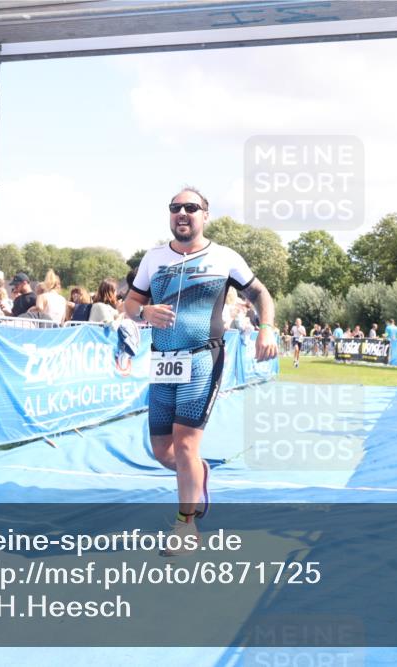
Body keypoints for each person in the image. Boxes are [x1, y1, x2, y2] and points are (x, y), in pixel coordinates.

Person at [124, 187, 277, 555]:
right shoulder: (153, 258)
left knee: (187, 444)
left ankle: (185, 526)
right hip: (163, 360)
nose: (182, 213)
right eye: (175, 207)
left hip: (203, 358)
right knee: (163, 452)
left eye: (191, 208)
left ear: (205, 215)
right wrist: (144, 313)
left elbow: (261, 294)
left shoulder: (224, 257)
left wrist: (266, 328)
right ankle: (197, 474)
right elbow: (130, 302)